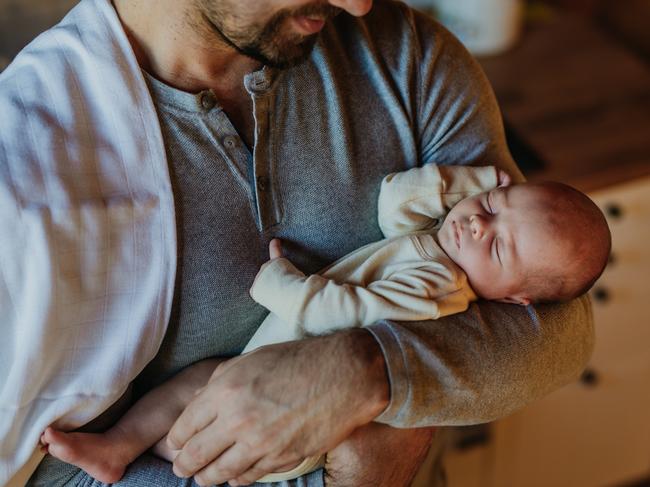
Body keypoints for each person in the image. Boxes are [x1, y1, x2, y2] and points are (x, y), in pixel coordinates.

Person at [0, 0, 596, 486]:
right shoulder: (30, 154)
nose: (356, 3)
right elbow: (53, 472)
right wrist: (382, 443)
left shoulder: (406, 55)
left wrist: (366, 373)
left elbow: (560, 328)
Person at [38, 164, 610, 485]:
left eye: (500, 247)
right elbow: (393, 205)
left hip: (290, 414)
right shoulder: (441, 243)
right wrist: (463, 187)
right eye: (490, 208)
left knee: (202, 408)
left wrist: (278, 282)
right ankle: (118, 447)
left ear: (513, 299)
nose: (478, 227)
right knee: (201, 385)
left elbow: (347, 313)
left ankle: (138, 451)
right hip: (261, 368)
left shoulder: (438, 289)